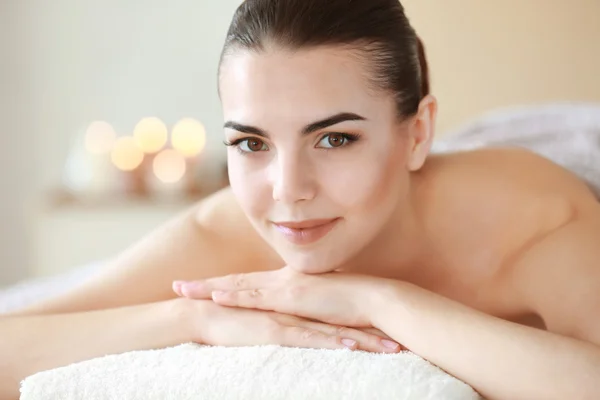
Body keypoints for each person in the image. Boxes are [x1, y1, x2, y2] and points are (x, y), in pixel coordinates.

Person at [2, 0, 600, 399]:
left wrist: (384, 301)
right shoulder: (223, 233)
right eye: (251, 142)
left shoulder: (537, 219)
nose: (288, 191)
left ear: (416, 133)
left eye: (335, 138)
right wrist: (193, 319)